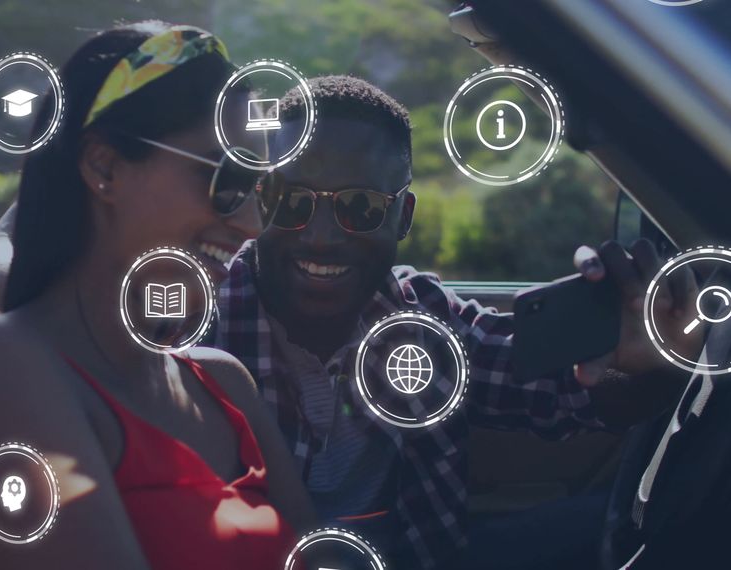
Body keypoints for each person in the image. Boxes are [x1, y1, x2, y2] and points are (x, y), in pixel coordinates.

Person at [202, 75, 699, 568]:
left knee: (638, 522)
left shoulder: (425, 316)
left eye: (361, 207)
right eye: (293, 202)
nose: (320, 237)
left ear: (404, 216)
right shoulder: (200, 330)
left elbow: (566, 396)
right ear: (264, 199)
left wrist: (652, 358)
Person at [0, 21, 313, 568]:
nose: (251, 223)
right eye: (229, 180)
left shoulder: (224, 386)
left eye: (265, 191)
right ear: (105, 167)